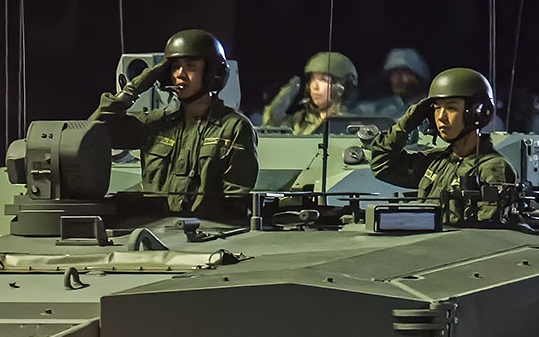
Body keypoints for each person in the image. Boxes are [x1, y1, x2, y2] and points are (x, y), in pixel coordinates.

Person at [90, 28, 258, 224]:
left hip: (207, 238)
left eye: (191, 67)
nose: (180, 75)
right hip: (154, 234)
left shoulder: (233, 128)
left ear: (213, 73)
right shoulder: (156, 123)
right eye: (175, 67)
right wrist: (135, 87)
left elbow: (235, 203)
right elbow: (92, 136)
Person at [369, 67, 519, 227]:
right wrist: (408, 122)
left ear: (476, 113)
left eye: (451, 108)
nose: (441, 117)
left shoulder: (492, 168)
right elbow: (382, 165)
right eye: (436, 108)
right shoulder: (437, 162)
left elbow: (490, 232)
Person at [261, 51, 358, 136]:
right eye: (312, 79)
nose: (314, 86)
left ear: (339, 88)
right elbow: (271, 126)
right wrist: (288, 91)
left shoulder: (351, 126)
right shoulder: (298, 121)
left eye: (323, 80)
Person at [354, 47, 431, 123]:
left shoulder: (432, 107)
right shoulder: (382, 107)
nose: (397, 79)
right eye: (394, 73)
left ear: (418, 76)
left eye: (404, 72)